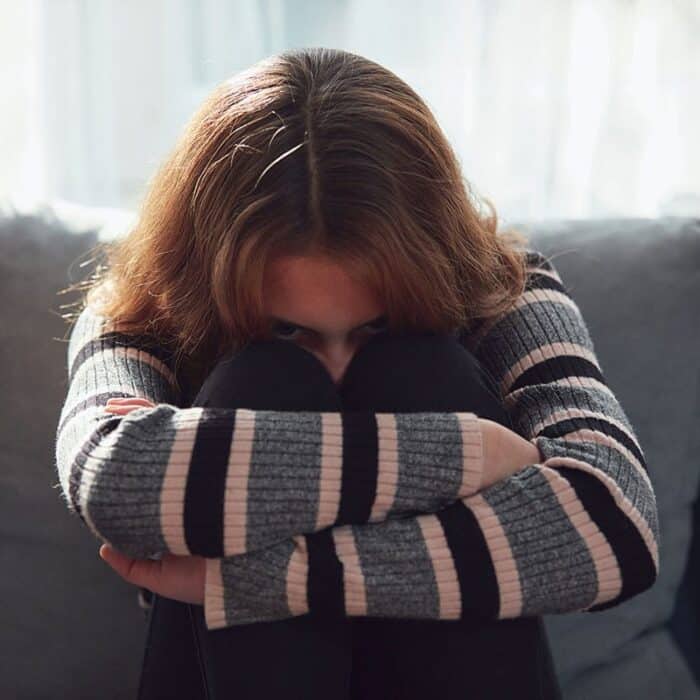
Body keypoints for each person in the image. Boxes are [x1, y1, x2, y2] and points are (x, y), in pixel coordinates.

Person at [55, 47, 659, 699]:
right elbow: (117, 484)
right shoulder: (142, 308)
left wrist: (258, 581)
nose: (339, 369)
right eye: (291, 329)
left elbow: (617, 525)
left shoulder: (505, 291)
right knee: (264, 385)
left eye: (373, 324)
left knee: (420, 373)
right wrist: (474, 453)